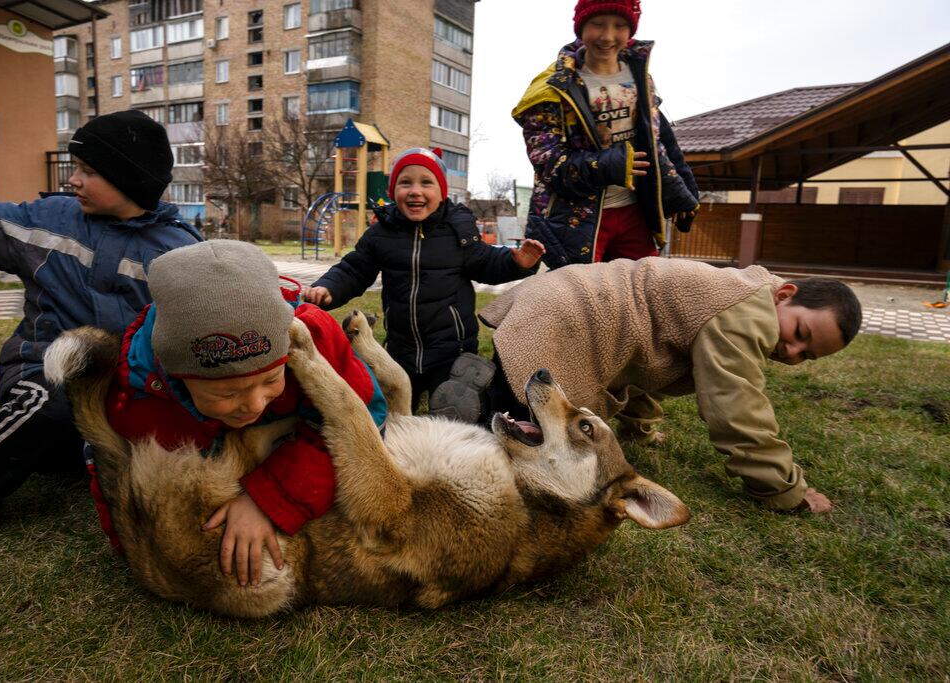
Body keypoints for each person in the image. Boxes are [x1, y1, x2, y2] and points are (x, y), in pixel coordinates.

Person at [0, 110, 201, 514]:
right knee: (51, 405)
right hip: (43, 369)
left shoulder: (178, 252)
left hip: (124, 395)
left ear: (128, 178)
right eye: (75, 168)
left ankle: (88, 452)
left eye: (87, 170)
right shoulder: (51, 220)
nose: (73, 179)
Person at [478, 258, 863, 514]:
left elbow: (650, 365)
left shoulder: (745, 296)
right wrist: (786, 490)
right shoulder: (747, 316)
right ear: (785, 294)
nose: (791, 349)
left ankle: (480, 384)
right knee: (533, 434)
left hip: (566, 298)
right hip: (570, 316)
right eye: (799, 332)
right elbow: (738, 409)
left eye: (806, 355)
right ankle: (475, 404)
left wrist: (639, 429)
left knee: (533, 407)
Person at [104, 240, 387, 587]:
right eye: (228, 392)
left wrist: (269, 499)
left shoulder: (311, 337)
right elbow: (120, 472)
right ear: (177, 376)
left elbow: (365, 419)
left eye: (271, 379)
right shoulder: (143, 395)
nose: (254, 404)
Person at [304, 147, 545, 414]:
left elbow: (486, 262)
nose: (415, 191)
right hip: (401, 349)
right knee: (389, 410)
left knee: (456, 410)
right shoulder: (381, 233)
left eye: (426, 182)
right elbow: (354, 269)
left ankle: (468, 417)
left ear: (441, 193)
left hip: (452, 350)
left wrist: (517, 263)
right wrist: (328, 288)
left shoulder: (458, 231)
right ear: (393, 191)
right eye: (405, 182)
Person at [513, 0, 700, 268]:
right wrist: (612, 165)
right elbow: (548, 163)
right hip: (574, 220)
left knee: (642, 294)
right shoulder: (551, 88)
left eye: (619, 26)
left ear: (631, 29)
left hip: (634, 210)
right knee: (581, 301)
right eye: (597, 24)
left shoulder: (640, 77)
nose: (607, 36)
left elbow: (660, 141)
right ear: (580, 26)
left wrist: (683, 193)